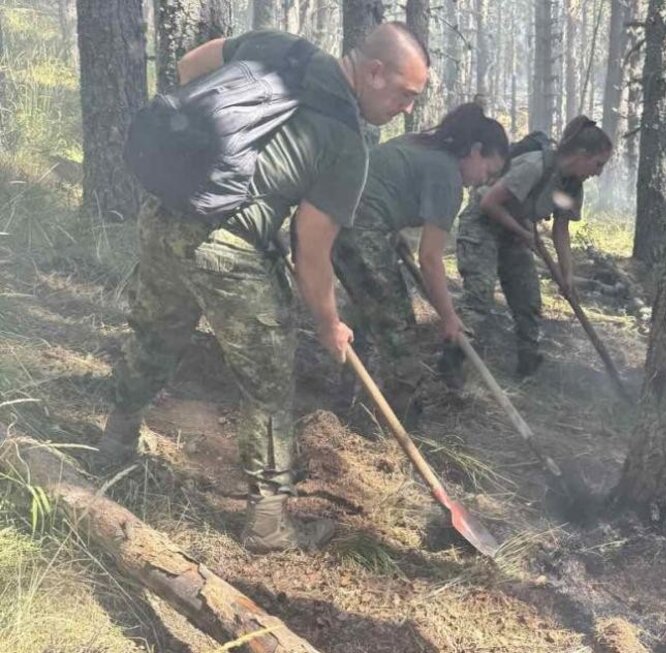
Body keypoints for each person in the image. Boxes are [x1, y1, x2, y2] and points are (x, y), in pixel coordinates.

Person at [96, 24, 430, 552]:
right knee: (269, 383)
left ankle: (114, 440)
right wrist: (328, 325)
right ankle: (268, 525)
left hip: (164, 216)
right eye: (406, 95)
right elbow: (311, 252)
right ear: (373, 73)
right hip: (228, 253)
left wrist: (225, 161)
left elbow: (189, 70)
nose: (407, 109)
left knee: (156, 334)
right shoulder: (346, 144)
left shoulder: (281, 48)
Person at [332, 103, 508, 419]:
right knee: (399, 330)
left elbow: (386, 184)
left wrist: (391, 229)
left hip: (337, 220)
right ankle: (403, 421)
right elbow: (430, 259)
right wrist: (449, 317)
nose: (483, 181)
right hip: (359, 229)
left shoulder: (422, 144)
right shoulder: (448, 177)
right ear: (475, 150)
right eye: (488, 171)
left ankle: (345, 406)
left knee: (365, 317)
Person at [455, 116, 612, 378]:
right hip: (483, 225)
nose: (598, 172)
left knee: (528, 300)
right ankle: (454, 366)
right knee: (478, 299)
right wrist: (522, 231)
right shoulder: (535, 165)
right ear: (582, 155)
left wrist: (567, 275)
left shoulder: (572, 186)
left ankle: (527, 370)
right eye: (598, 164)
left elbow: (560, 230)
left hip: (516, 232)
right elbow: (489, 204)